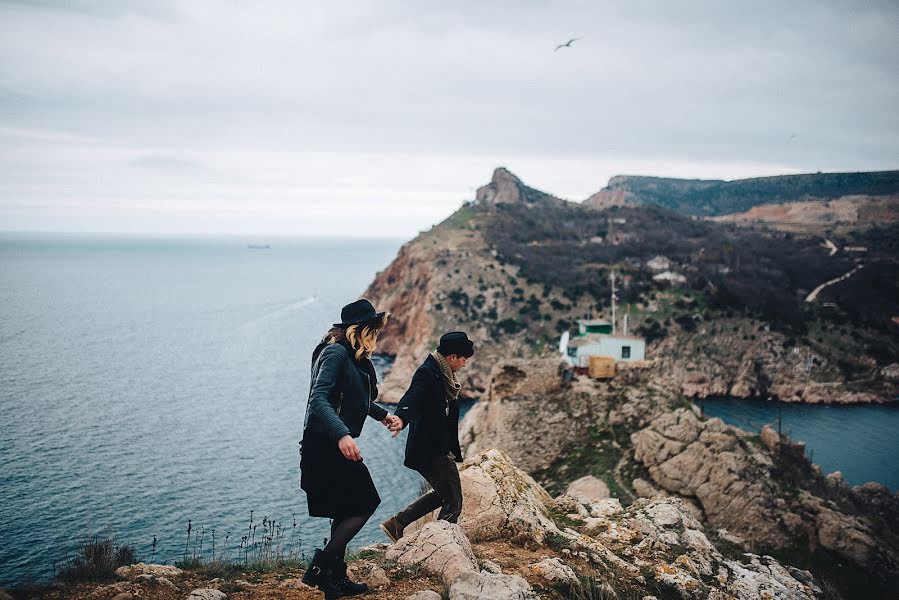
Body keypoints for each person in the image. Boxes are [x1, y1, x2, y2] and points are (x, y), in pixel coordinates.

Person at [300, 298, 400, 599]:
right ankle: (320, 568)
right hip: (325, 445)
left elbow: (356, 399)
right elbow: (319, 399)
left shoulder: (353, 357)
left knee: (344, 510)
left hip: (331, 443)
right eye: (374, 329)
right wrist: (343, 435)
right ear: (362, 329)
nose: (378, 335)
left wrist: (383, 415)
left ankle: (335, 582)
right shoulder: (335, 353)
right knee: (366, 502)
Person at [379, 331, 475, 542]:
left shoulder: (443, 374)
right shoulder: (428, 372)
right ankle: (441, 543)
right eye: (463, 359)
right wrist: (401, 418)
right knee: (454, 501)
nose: (465, 364)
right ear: (452, 357)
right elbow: (413, 397)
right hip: (431, 449)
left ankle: (397, 524)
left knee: (444, 493)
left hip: (435, 446)